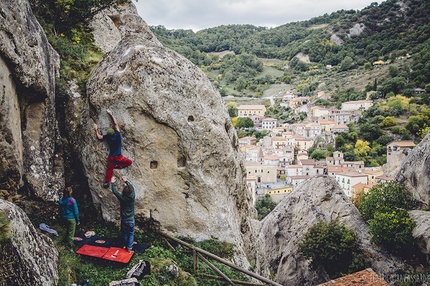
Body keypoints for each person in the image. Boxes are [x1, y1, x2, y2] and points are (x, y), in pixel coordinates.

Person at [94, 109, 132, 188]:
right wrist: (111, 114)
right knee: (129, 162)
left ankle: (107, 182)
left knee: (109, 170)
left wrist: (96, 129)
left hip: (111, 157)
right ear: (114, 132)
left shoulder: (107, 137)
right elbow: (116, 124)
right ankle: (119, 166)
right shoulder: (117, 135)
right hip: (118, 157)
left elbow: (99, 137)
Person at [111, 175, 135, 252]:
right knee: (131, 233)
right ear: (131, 192)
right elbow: (132, 187)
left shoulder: (122, 198)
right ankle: (129, 247)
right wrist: (126, 181)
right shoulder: (132, 196)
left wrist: (112, 183)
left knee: (125, 232)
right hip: (131, 219)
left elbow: (115, 192)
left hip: (124, 219)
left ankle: (126, 244)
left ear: (123, 192)